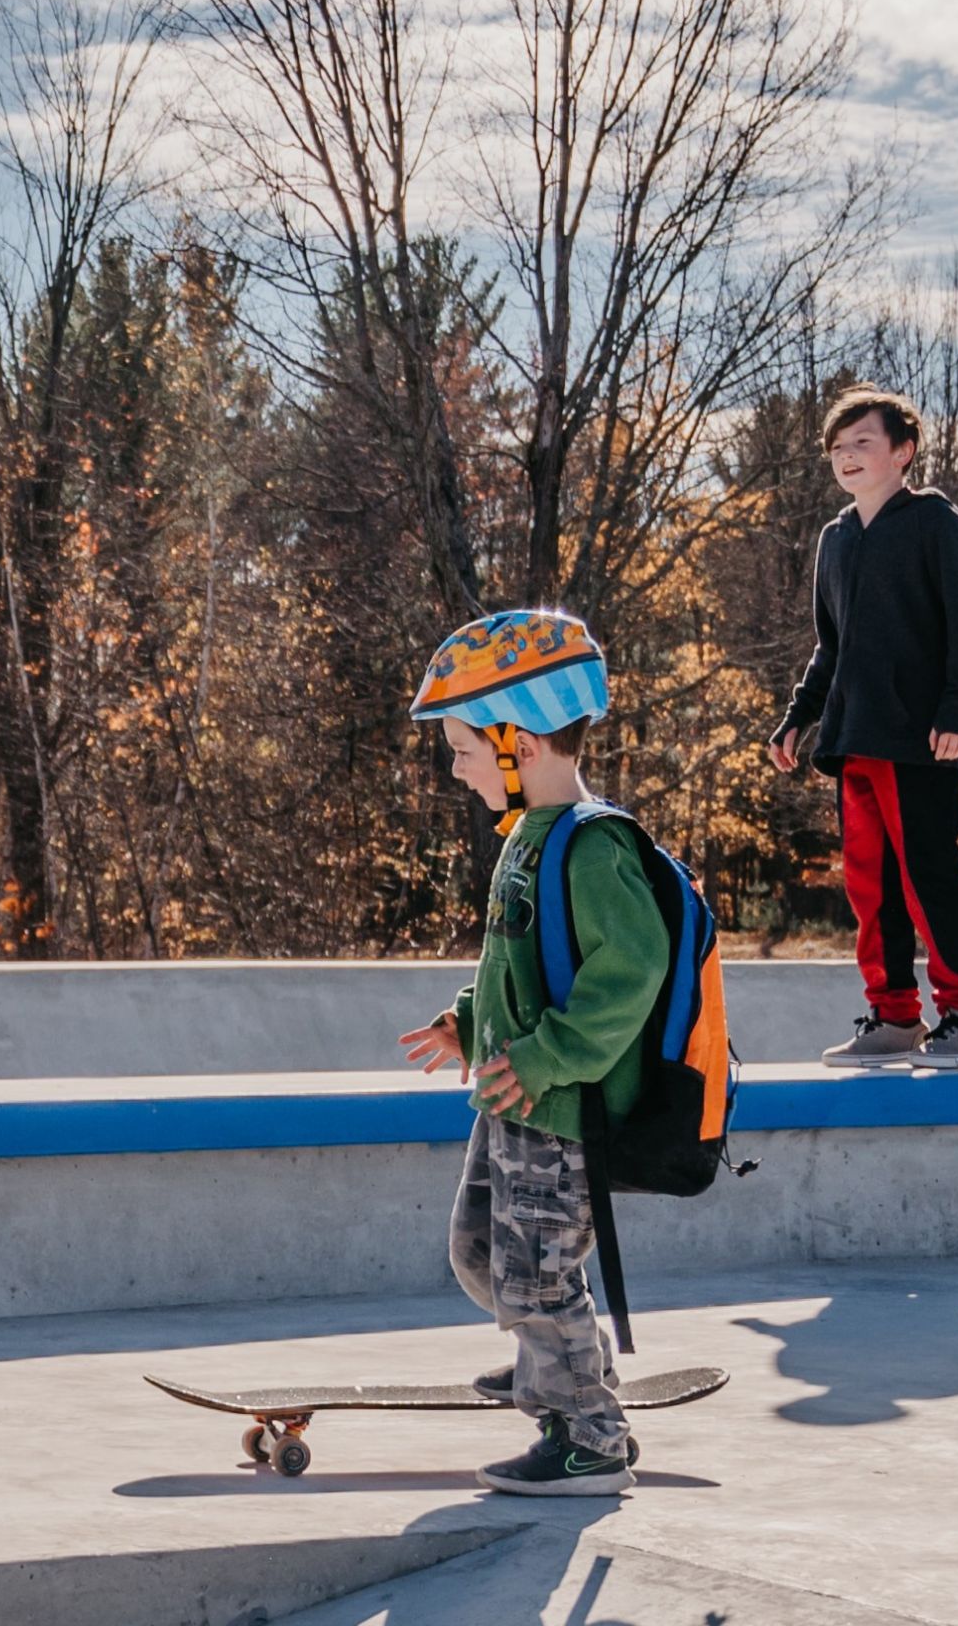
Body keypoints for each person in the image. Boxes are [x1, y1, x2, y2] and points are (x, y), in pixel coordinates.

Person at [389, 608, 660, 1496]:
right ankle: (559, 1364)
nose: (456, 767)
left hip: (557, 1105)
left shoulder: (591, 845)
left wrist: (551, 1056)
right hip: (512, 1096)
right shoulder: (529, 840)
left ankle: (588, 1435)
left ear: (523, 741)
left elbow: (633, 968)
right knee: (479, 1252)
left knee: (535, 1278)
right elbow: (520, 963)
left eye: (465, 747)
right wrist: (466, 1022)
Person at [769, 389, 958, 1070]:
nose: (846, 456)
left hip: (923, 738)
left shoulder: (933, 522)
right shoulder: (836, 538)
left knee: (929, 876)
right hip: (854, 737)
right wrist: (798, 718)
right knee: (869, 885)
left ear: (903, 452)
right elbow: (829, 648)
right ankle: (895, 1017)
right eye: (837, 447)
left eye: (862, 442)